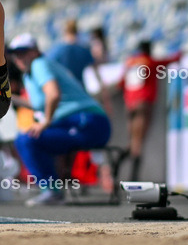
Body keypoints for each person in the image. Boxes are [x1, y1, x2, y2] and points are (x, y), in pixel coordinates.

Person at [8, 33, 111, 206]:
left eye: (23, 52)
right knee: (28, 139)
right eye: (16, 54)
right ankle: (52, 189)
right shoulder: (29, 74)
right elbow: (40, 103)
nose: (19, 58)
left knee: (27, 140)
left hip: (88, 122)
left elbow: (53, 94)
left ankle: (52, 190)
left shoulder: (39, 64)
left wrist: (46, 122)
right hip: (80, 122)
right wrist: (8, 98)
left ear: (35, 51)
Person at [118, 41, 180, 182]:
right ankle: (133, 177)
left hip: (130, 104)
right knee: (138, 142)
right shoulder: (150, 62)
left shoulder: (130, 62)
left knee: (132, 141)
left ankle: (117, 165)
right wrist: (180, 54)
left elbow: (121, 83)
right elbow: (170, 60)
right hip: (143, 103)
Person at [46, 19, 98, 86]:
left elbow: (48, 67)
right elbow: (95, 69)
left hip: (65, 89)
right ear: (77, 32)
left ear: (64, 32)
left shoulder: (57, 50)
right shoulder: (83, 50)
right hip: (80, 87)